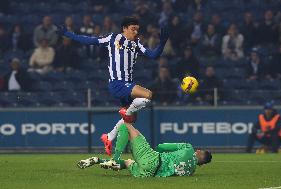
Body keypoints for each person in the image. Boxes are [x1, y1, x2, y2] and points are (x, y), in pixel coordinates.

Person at [57, 16, 169, 155]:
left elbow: (153, 55)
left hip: (127, 85)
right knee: (148, 95)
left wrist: (162, 42)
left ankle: (109, 137)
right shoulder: (112, 38)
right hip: (117, 83)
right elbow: (90, 40)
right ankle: (125, 113)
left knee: (130, 120)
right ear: (124, 28)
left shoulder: (136, 44)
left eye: (137, 30)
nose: (135, 32)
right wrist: (68, 34)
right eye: (133, 29)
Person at [77, 122, 212, 177]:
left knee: (125, 125)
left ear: (199, 152)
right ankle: (96, 160)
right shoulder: (191, 172)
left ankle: (115, 158)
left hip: (153, 159)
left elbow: (161, 147)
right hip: (148, 174)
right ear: (201, 164)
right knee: (129, 163)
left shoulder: (189, 148)